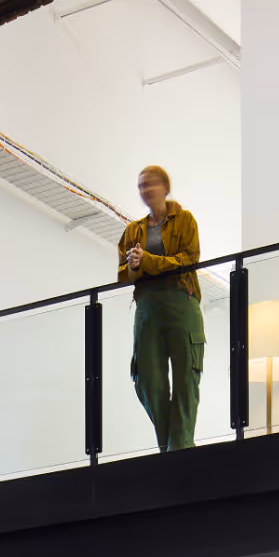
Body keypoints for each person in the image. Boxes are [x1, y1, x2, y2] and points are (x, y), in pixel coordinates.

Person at [117, 164, 205, 452]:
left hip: (181, 301)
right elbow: (121, 273)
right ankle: (173, 448)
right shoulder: (133, 230)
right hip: (147, 308)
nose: (146, 190)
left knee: (185, 379)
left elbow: (189, 260)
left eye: (151, 184)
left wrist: (148, 262)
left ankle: (177, 451)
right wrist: (132, 265)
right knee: (147, 378)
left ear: (165, 187)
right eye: (141, 185)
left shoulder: (185, 220)